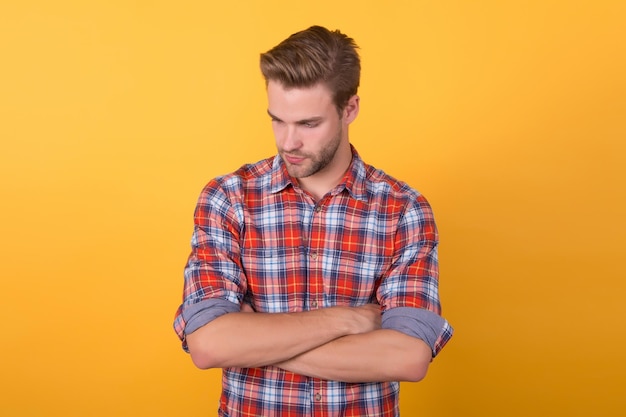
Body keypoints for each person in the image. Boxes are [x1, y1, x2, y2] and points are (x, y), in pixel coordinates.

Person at [174, 25, 453, 416]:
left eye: (308, 124)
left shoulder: (403, 210)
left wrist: (255, 342)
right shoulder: (228, 199)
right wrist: (348, 320)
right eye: (277, 120)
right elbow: (209, 346)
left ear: (349, 109)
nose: (289, 141)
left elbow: (406, 357)